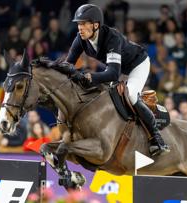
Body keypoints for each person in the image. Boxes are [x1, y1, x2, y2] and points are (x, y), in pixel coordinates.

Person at [42, 4, 169, 156]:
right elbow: (68, 65)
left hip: (137, 65)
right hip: (117, 68)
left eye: (83, 24)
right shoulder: (80, 39)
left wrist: (90, 76)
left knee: (131, 95)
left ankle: (156, 138)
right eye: (78, 24)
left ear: (95, 25)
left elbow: (113, 74)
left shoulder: (111, 37)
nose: (79, 28)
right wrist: (51, 71)